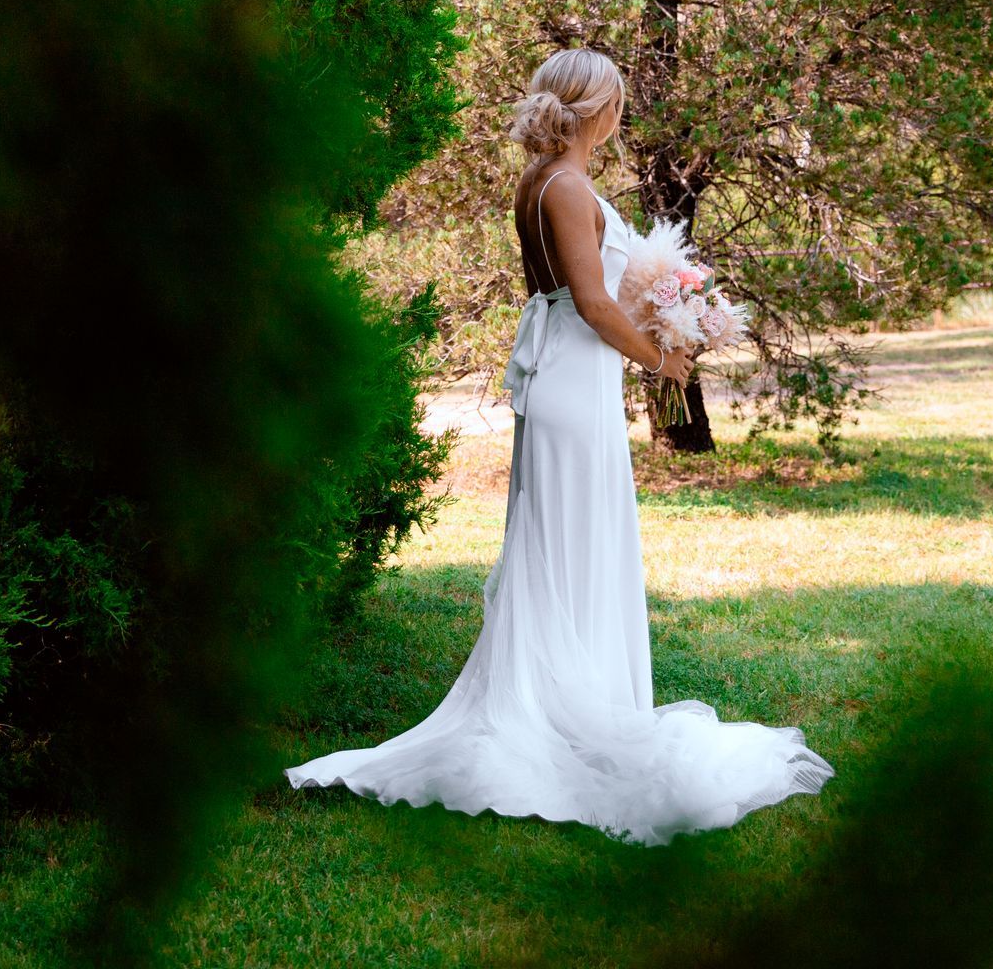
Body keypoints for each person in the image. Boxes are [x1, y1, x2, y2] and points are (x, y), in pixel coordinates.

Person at [285, 47, 833, 844]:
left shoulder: (540, 179)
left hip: (570, 377)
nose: (620, 114)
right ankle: (570, 721)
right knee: (573, 540)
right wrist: (661, 359)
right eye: (617, 102)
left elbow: (587, 298)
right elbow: (591, 302)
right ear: (597, 112)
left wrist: (663, 317)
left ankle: (577, 701)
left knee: (569, 542)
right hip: (574, 384)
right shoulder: (568, 187)